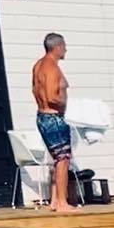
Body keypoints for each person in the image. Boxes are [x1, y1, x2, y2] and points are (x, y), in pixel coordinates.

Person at [32, 32, 74, 214]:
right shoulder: (51, 68)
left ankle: (55, 201)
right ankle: (63, 203)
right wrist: (66, 106)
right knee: (63, 159)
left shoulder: (38, 65)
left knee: (57, 160)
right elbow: (51, 97)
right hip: (53, 118)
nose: (66, 50)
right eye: (64, 46)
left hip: (43, 117)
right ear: (57, 47)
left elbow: (35, 91)